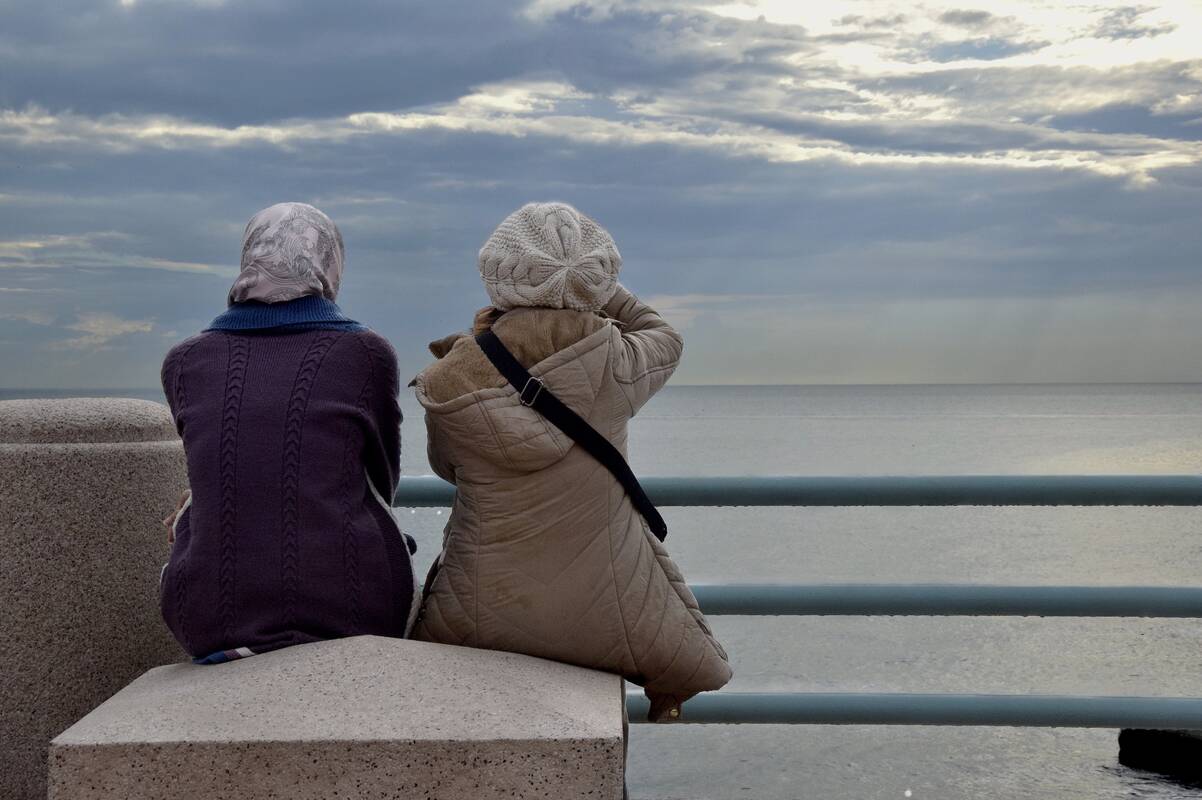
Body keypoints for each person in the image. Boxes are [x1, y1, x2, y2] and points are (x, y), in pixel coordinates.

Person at [411, 202, 731, 722]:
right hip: (605, 606)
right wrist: (598, 288)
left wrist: (488, 335)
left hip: (477, 610)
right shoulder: (616, 359)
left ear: (498, 280)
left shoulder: (450, 377)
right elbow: (666, 336)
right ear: (597, 280)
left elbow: (448, 469)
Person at [159, 202, 417, 664]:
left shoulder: (185, 360)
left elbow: (224, 462)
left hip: (209, 616)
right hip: (353, 608)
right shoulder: (365, 353)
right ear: (328, 261)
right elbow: (382, 481)